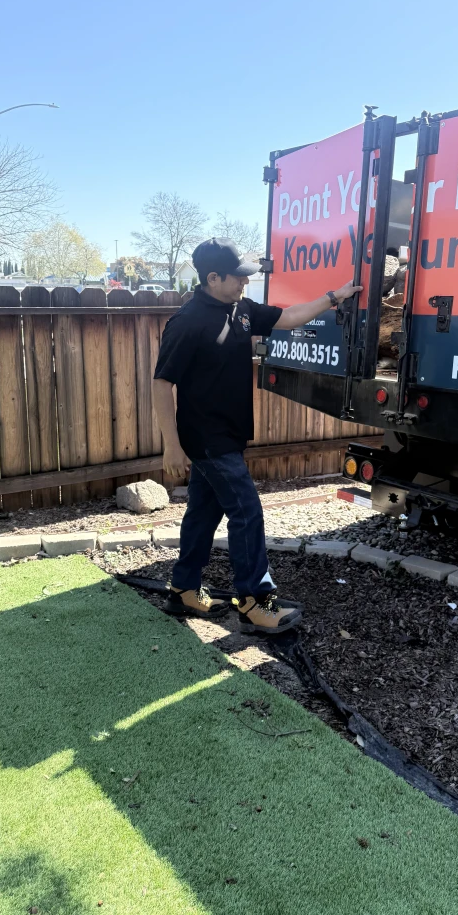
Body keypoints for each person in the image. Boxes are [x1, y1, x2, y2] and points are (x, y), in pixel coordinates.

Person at [152, 238, 361, 634]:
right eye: (239, 277)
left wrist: (334, 297)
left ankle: (183, 588)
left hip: (228, 434)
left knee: (203, 512)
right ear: (213, 277)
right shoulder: (188, 321)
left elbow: (290, 316)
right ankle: (254, 600)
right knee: (246, 511)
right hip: (205, 437)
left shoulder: (241, 309)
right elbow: (161, 383)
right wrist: (172, 445)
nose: (245, 283)